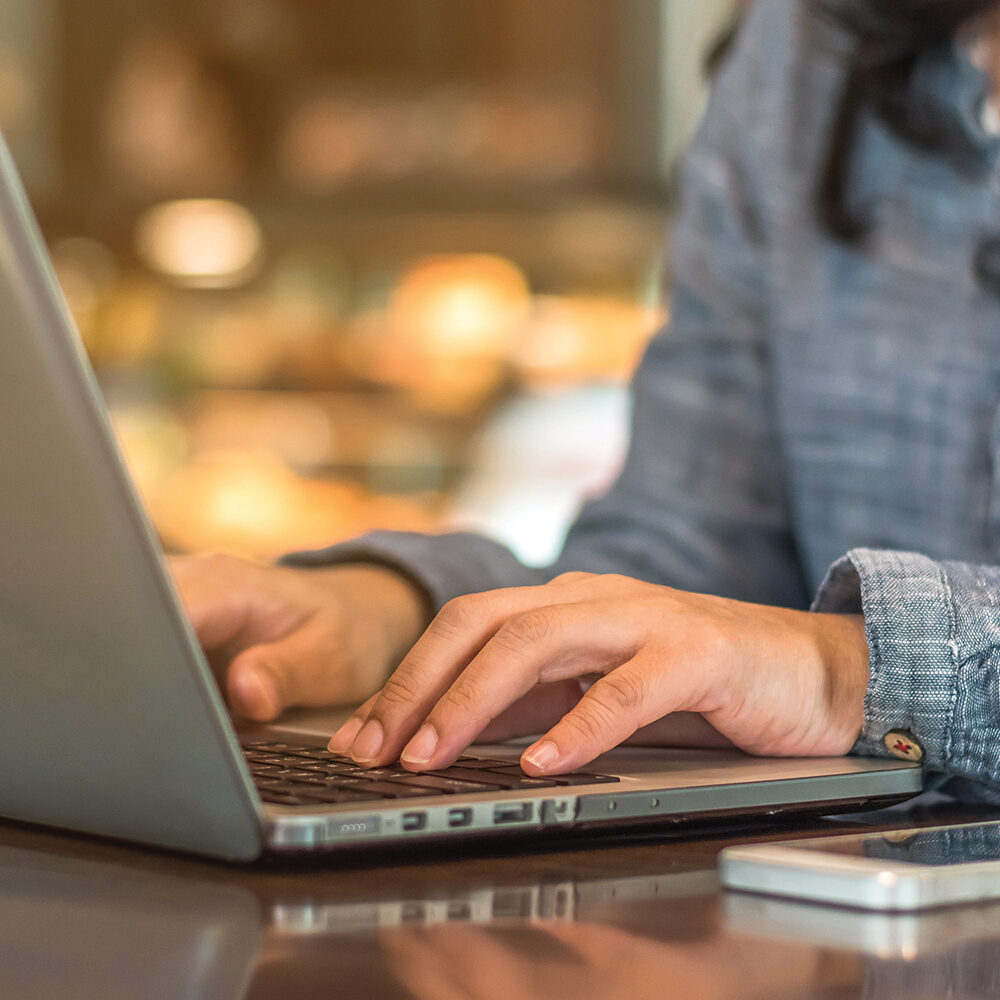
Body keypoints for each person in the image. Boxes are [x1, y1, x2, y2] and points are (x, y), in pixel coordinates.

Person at [170, 0, 1000, 801]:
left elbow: (785, 651)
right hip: (837, 907)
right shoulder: (808, 45)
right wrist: (400, 620)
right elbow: (698, 561)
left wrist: (842, 671)